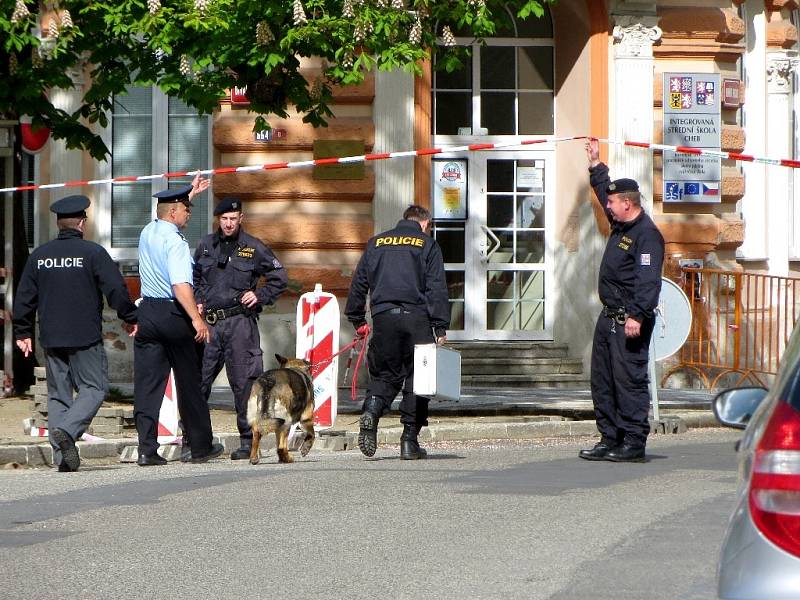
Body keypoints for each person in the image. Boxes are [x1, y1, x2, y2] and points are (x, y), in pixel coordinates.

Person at [13, 194, 137, 472]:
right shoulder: (93, 253)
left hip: (51, 338)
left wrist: (23, 331)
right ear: (81, 223)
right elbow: (115, 289)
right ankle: (68, 431)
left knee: (58, 395)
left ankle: (62, 459)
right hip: (85, 337)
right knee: (94, 388)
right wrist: (129, 316)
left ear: (60, 224)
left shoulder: (39, 256)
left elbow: (24, 297)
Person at [580, 138, 665, 463]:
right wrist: (596, 165)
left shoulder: (646, 235)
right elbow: (604, 193)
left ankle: (633, 440)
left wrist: (638, 316)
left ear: (627, 203)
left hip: (630, 319)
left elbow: (647, 282)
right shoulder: (621, 224)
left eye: (614, 202)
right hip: (609, 316)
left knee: (629, 380)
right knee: (602, 380)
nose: (608, 206)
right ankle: (609, 437)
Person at [345, 204, 449, 460]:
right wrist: (440, 326)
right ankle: (409, 441)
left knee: (385, 374)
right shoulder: (427, 245)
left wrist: (357, 318)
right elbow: (436, 287)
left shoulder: (376, 243)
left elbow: (359, 283)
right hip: (417, 320)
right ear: (425, 224)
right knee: (418, 379)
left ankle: (371, 411)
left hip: (384, 319)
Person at [134, 179, 224, 466]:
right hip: (174, 314)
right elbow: (180, 285)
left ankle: (146, 449)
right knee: (189, 382)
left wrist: (189, 193)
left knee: (148, 386)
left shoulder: (148, 231)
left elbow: (162, 211)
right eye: (186, 209)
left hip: (147, 312)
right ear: (173, 213)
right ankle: (199, 446)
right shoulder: (175, 241)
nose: (189, 214)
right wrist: (197, 320)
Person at [192, 196, 287, 460]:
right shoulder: (205, 245)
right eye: (224, 219)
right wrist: (198, 300)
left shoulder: (254, 247)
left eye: (233, 219)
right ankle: (195, 440)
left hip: (240, 325)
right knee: (199, 381)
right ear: (218, 220)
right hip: (209, 324)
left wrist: (261, 295)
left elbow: (280, 277)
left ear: (241, 219)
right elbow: (194, 277)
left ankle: (248, 441)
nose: (228, 224)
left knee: (244, 385)